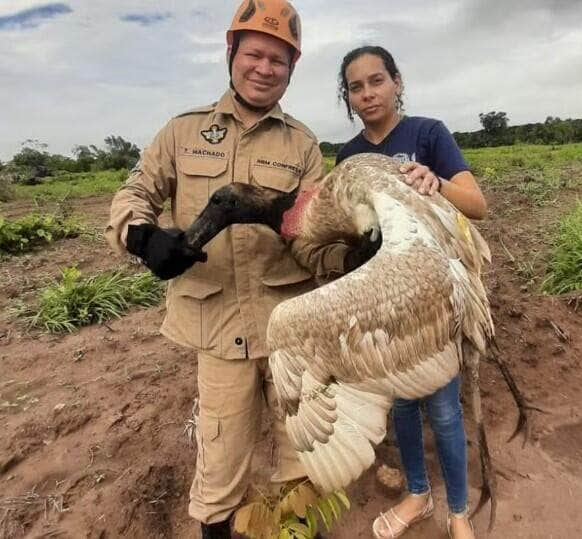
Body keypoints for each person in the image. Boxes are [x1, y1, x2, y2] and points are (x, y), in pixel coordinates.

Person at [105, 2, 358, 538]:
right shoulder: (181, 132)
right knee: (219, 463)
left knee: (303, 455)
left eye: (279, 60)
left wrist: (350, 256)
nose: (265, 68)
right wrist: (142, 236)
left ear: (292, 68)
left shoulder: (304, 145)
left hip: (291, 328)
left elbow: (312, 240)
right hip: (218, 330)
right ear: (231, 53)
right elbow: (134, 193)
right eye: (256, 54)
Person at [336, 46, 488, 539]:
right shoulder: (347, 157)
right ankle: (418, 496)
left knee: (443, 408)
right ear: (349, 97)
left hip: (433, 301)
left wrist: (436, 182)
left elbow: (477, 205)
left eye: (376, 81)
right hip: (384, 303)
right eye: (356, 87)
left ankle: (459, 511)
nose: (367, 94)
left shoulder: (428, 133)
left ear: (396, 82)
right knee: (401, 404)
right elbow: (353, 232)